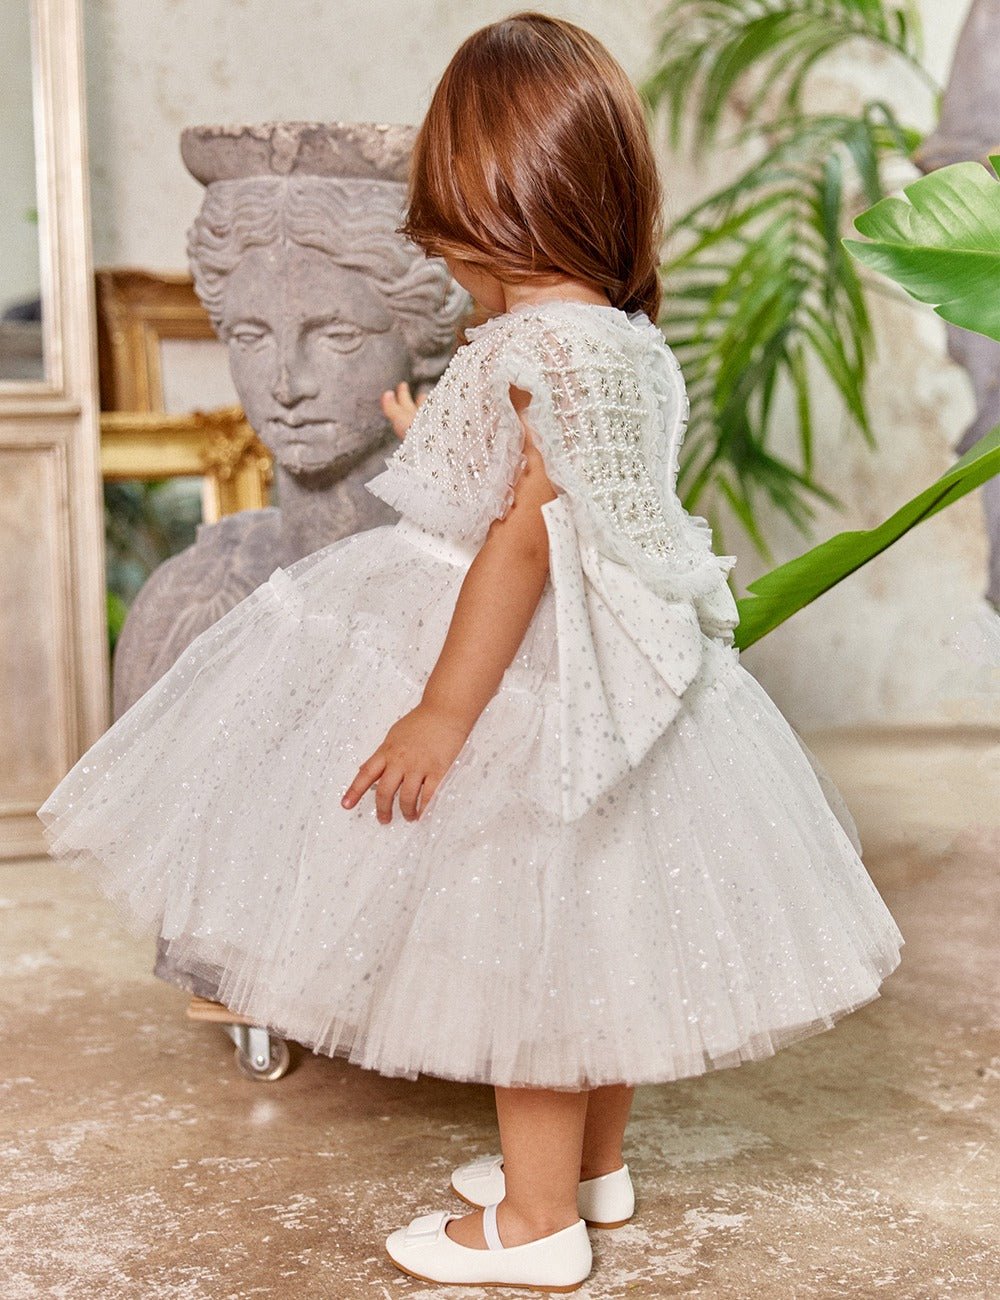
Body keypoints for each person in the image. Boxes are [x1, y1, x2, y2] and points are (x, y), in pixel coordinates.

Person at [37, 12, 904, 1293]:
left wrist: (442, 711)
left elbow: (523, 540)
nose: (438, 247)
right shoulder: (623, 341)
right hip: (631, 675)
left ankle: (534, 1223)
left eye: (444, 217)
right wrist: (429, 429)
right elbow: (557, 477)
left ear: (486, 204)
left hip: (529, 673)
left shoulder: (530, 342)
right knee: (604, 929)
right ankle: (590, 1171)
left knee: (525, 952)